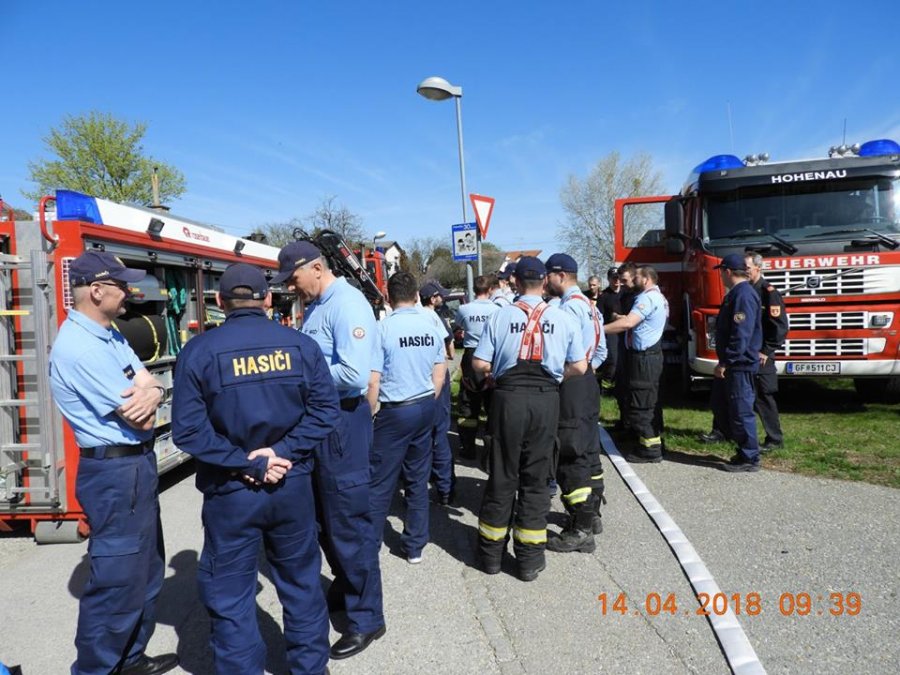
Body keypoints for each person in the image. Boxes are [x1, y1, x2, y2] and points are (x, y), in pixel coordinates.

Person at [171, 263, 339, 674]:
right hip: (291, 484)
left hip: (232, 494)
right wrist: (278, 452)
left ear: (217, 302)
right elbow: (325, 411)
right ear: (267, 299)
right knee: (301, 587)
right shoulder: (300, 345)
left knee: (230, 598)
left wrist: (243, 462)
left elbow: (187, 431)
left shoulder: (199, 351)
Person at [48, 251, 176, 675]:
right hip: (114, 472)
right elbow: (136, 411)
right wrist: (151, 395)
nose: (130, 293)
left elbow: (150, 385)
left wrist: (154, 391)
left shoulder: (110, 336)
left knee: (147, 572)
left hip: (133, 468)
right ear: (97, 291)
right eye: (121, 286)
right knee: (117, 581)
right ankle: (96, 669)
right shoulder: (81, 348)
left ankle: (129, 660)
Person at [271, 241, 386, 659]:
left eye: (294, 277)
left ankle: (367, 618)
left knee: (348, 523)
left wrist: (296, 377)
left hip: (341, 423)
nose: (291, 287)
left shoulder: (347, 303)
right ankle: (344, 584)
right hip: (321, 423)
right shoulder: (317, 304)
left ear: (316, 267)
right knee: (323, 517)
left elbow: (354, 374)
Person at [472, 256, 586, 582]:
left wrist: (495, 374)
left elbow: (480, 363)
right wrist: (554, 377)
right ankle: (528, 560)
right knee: (537, 478)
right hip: (546, 398)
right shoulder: (562, 317)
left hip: (508, 399)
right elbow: (579, 366)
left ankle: (491, 556)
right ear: (544, 282)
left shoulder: (500, 315)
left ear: (517, 283)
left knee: (502, 474)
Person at [367, 272, 446, 563]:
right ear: (416, 296)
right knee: (417, 478)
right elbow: (440, 372)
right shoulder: (430, 327)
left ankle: (370, 544)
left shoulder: (383, 329)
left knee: (379, 482)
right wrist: (427, 400)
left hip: (395, 410)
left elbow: (373, 381)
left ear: (388, 296)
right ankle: (414, 546)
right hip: (425, 405)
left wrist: (368, 415)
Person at [544, 254, 607, 553]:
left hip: (571, 382)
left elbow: (562, 353)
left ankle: (581, 529)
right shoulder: (590, 307)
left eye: (548, 275)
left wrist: (556, 377)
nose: (545, 281)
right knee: (589, 449)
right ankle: (592, 516)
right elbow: (601, 351)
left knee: (569, 453)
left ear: (559, 275)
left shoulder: (568, 309)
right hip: (588, 382)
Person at [701, 252, 788, 451]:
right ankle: (723, 431)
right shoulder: (740, 292)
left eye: (748, 267)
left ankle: (773, 438)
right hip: (740, 355)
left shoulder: (765, 292)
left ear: (758, 268)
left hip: (754, 354)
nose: (746, 270)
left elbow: (777, 326)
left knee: (760, 397)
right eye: (744, 267)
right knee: (725, 397)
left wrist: (766, 350)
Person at [604, 265, 668, 463]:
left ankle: (650, 448)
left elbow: (628, 324)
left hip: (644, 357)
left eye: (636, 277)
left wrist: (596, 329)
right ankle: (652, 441)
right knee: (649, 399)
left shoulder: (647, 298)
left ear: (647, 279)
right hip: (649, 355)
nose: (631, 281)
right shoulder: (658, 297)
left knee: (641, 402)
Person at [712, 254, 764, 472]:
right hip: (738, 362)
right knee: (734, 409)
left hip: (740, 364)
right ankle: (744, 451)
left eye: (721, 272)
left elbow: (740, 333)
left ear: (728, 272)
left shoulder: (742, 295)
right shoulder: (737, 294)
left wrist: (726, 360)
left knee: (742, 410)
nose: (721, 276)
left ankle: (750, 457)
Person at [454, 275, 500, 459]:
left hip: (471, 355)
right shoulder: (497, 310)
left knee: (468, 401)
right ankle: (491, 449)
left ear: (474, 291)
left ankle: (468, 447)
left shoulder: (464, 309)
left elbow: (458, 327)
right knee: (492, 403)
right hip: (491, 356)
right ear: (490, 290)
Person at [419, 280, 456, 505]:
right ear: (432, 298)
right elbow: (446, 349)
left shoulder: (409, 316)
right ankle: (445, 488)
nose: (443, 298)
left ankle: (417, 487)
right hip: (436, 377)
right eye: (440, 295)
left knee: (418, 439)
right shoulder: (435, 318)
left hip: (415, 382)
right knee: (439, 436)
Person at [611, 262, 638, 431]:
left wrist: (625, 319)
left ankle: (635, 425)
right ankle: (625, 421)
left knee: (635, 389)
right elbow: (615, 313)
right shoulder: (623, 295)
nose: (622, 284)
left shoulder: (641, 297)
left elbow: (631, 321)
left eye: (625, 280)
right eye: (620, 280)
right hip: (623, 343)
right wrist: (618, 316)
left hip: (636, 348)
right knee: (621, 386)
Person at [597, 267, 622, 390]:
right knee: (613, 358)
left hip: (625, 329)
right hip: (611, 330)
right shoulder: (604, 296)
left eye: (618, 278)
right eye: (614, 278)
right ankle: (606, 384)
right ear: (608, 279)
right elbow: (599, 316)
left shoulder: (626, 293)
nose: (616, 280)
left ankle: (619, 384)